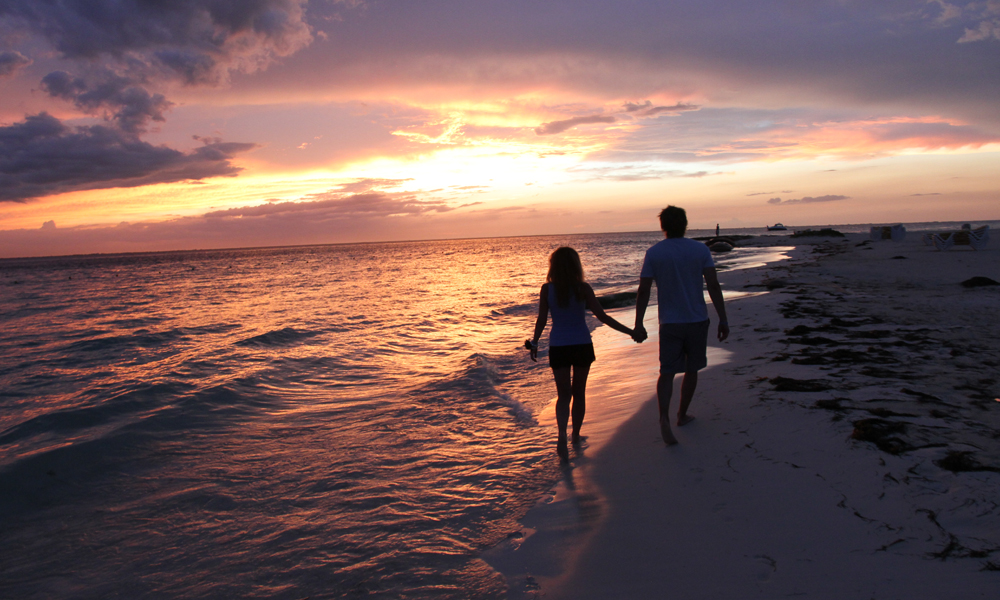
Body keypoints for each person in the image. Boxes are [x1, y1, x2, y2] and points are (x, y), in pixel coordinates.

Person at [528, 247, 639, 461]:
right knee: (579, 392)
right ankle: (576, 435)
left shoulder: (547, 289)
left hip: (559, 346)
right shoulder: (583, 288)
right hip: (581, 344)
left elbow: (541, 319)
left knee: (563, 394)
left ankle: (561, 434)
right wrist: (631, 332)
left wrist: (534, 342)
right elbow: (602, 316)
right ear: (576, 265)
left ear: (553, 266)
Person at [634, 206, 729, 446]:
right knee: (691, 369)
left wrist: (638, 323)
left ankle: (664, 418)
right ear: (685, 224)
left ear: (662, 226)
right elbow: (713, 285)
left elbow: (644, 290)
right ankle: (682, 414)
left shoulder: (654, 253)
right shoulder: (700, 250)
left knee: (667, 372)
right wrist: (723, 318)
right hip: (696, 320)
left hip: (670, 322)